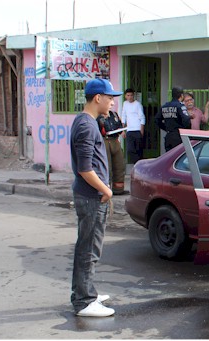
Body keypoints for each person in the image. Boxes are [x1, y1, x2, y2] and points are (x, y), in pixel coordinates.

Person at [69, 78, 122, 317]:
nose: (113, 101)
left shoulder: (88, 122)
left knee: (89, 247)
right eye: (110, 97)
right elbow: (84, 168)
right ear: (97, 98)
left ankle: (85, 291)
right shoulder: (85, 125)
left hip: (92, 195)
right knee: (88, 249)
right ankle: (84, 301)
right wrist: (106, 190)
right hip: (91, 197)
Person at [96, 109, 127, 195]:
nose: (111, 104)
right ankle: (106, 189)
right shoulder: (97, 116)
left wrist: (122, 130)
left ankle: (118, 189)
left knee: (119, 165)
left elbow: (120, 126)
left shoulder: (114, 114)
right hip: (104, 141)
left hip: (115, 140)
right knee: (107, 166)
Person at [155, 86, 191, 152]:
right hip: (178, 136)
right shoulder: (180, 106)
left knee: (169, 158)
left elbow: (157, 120)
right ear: (181, 95)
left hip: (168, 136)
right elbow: (186, 121)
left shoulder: (165, 106)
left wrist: (166, 128)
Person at [120, 88, 145, 164]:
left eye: (131, 95)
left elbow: (142, 117)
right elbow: (123, 116)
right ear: (125, 96)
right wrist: (123, 130)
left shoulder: (137, 104)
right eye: (128, 95)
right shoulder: (125, 104)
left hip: (137, 130)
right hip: (129, 130)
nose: (130, 97)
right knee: (130, 150)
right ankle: (132, 165)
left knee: (138, 150)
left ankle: (138, 165)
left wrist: (141, 130)